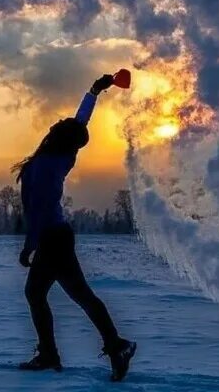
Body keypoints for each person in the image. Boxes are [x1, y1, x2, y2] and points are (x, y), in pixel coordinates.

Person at [13, 73, 136, 382]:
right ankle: (105, 346)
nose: (54, 125)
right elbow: (80, 122)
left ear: (56, 136)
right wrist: (94, 91)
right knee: (64, 294)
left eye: (57, 126)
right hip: (57, 236)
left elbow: (39, 212)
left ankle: (79, 350)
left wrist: (30, 245)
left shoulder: (46, 165)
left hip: (52, 237)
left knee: (52, 293)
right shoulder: (62, 156)